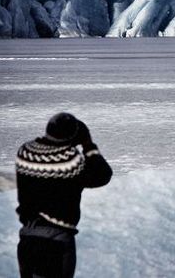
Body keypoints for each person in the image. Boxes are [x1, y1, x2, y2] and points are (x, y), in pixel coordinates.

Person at [15, 112, 112, 278]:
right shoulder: (70, 160)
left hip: (27, 239)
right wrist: (88, 144)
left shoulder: (25, 151)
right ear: (74, 136)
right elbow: (102, 175)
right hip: (56, 243)